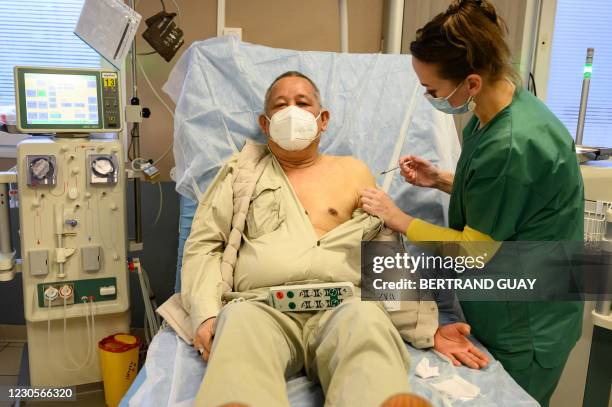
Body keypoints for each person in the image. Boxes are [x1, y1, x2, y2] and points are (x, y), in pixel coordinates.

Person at [181, 71, 488, 407]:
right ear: (265, 123)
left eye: (302, 103)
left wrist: (428, 330)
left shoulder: (353, 171)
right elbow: (206, 244)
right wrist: (207, 314)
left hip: (344, 303)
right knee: (238, 331)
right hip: (262, 305)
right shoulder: (241, 172)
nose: (292, 112)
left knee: (368, 329)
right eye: (280, 106)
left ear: (322, 119)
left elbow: (382, 251)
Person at [360, 1, 584, 406]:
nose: (429, 97)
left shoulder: (514, 144)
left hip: (527, 324)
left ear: (472, 82)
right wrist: (442, 179)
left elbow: (476, 248)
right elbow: (501, 198)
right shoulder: (496, 110)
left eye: (432, 90)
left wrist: (399, 219)